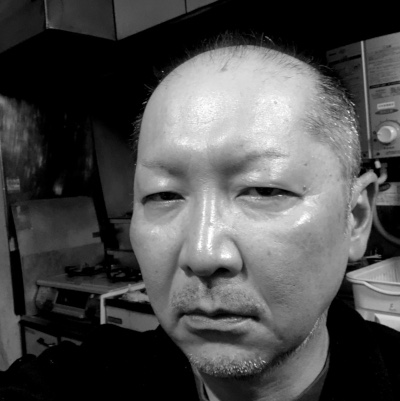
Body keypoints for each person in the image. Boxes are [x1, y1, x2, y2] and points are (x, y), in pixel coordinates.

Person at [1, 32, 400, 401]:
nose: (203, 254)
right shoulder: (88, 382)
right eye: (163, 195)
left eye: (263, 190)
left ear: (356, 218)